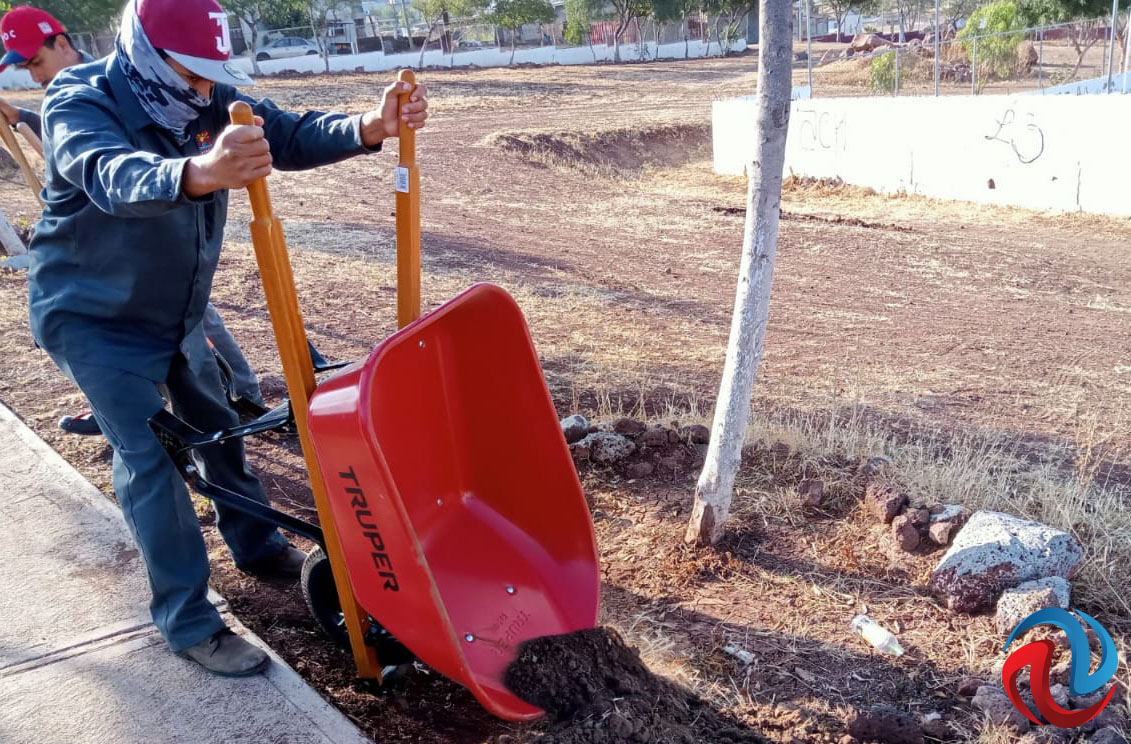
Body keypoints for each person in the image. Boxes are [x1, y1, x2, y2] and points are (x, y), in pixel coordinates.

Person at [30, 0, 427, 676]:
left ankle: (255, 542)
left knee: (217, 425)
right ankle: (189, 622)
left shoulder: (207, 99)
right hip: (94, 319)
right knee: (151, 460)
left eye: (214, 76)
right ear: (146, 56)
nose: (206, 91)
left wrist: (368, 126)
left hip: (174, 311)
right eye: (192, 76)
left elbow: (286, 133)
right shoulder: (78, 98)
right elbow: (109, 176)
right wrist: (200, 173)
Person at [0, 5, 265, 436]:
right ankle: (134, 408)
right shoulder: (69, 95)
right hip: (118, 252)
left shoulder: (138, 82)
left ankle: (242, 393)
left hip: (166, 232)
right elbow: (74, 155)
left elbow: (113, 165)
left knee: (196, 319)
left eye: (36, 62)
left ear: (62, 43)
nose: (33, 76)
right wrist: (24, 118)